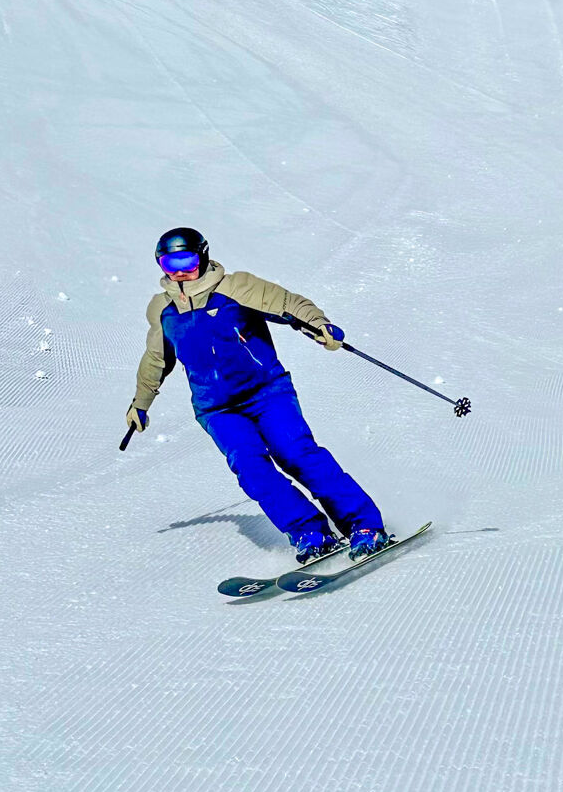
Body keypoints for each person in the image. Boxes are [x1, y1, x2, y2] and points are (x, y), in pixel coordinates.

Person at [126, 227, 390, 562]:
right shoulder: (161, 308)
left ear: (203, 256)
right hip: (217, 409)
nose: (179, 271)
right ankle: (308, 531)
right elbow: (156, 358)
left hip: (266, 392)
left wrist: (319, 325)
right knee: (251, 469)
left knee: (296, 453)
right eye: (169, 262)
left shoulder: (237, 286)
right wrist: (141, 403)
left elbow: (289, 304)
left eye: (187, 260)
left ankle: (363, 525)